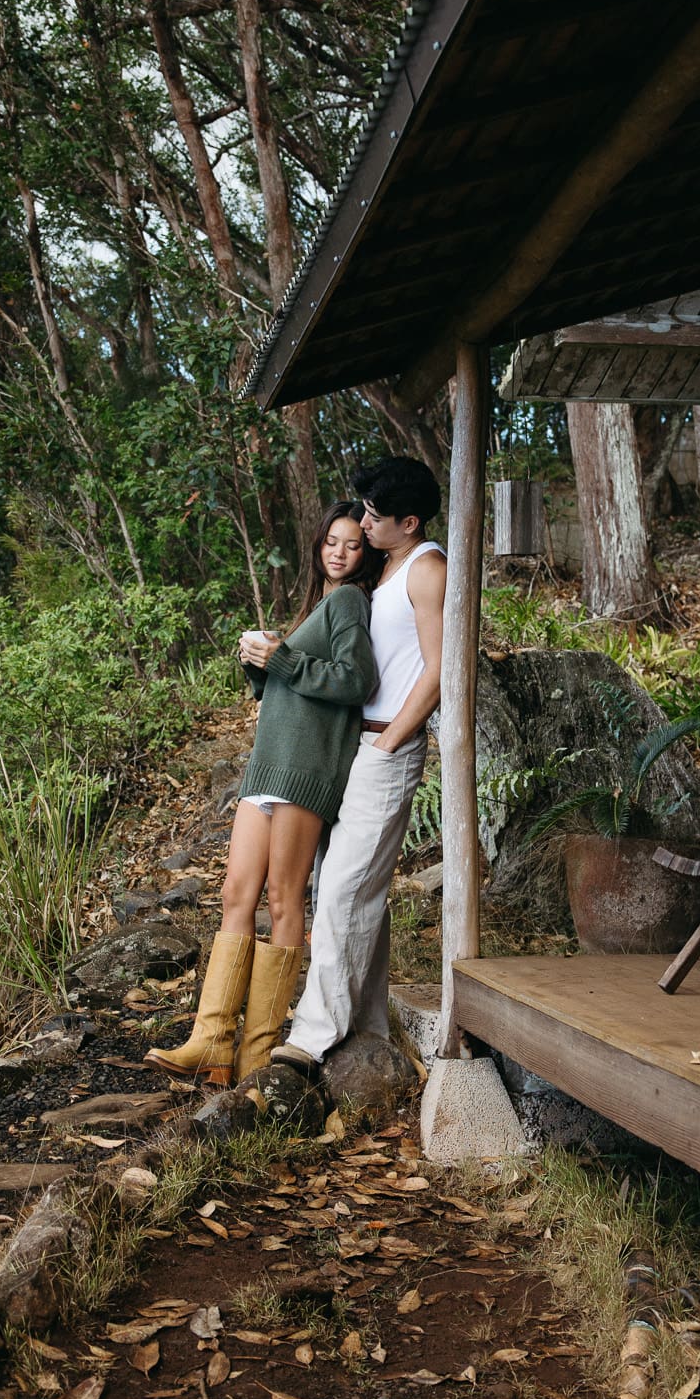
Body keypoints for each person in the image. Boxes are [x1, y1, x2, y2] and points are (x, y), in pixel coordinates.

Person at [148, 502, 379, 1086]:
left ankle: (256, 1052)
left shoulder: (350, 602)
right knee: (235, 894)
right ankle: (212, 1041)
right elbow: (293, 680)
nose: (339, 553)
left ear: (366, 552)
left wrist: (285, 659)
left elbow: (357, 681)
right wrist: (263, 662)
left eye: (352, 544)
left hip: (306, 770)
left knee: (282, 901)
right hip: (268, 768)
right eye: (331, 541)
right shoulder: (321, 604)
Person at [273, 456, 445, 1075]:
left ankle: (312, 1037)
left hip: (384, 749)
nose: (364, 523)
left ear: (409, 521)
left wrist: (391, 739)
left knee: (345, 888)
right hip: (355, 744)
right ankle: (368, 1027)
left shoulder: (428, 571)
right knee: (348, 885)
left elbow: (442, 668)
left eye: (375, 516)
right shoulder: (389, 568)